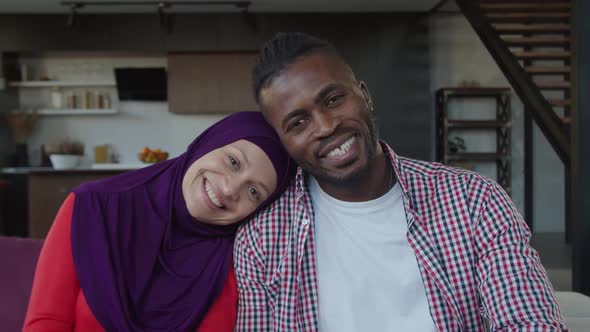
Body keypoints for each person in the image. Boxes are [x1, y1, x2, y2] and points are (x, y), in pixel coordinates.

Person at [234, 32, 567, 331]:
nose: (325, 126)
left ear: (364, 95)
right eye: (297, 123)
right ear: (284, 143)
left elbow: (529, 322)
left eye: (333, 99)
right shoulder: (263, 240)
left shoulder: (473, 200)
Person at [24, 111, 293, 332]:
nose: (229, 189)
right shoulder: (91, 207)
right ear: (209, 142)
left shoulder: (241, 256)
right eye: (233, 161)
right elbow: (46, 322)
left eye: (254, 192)